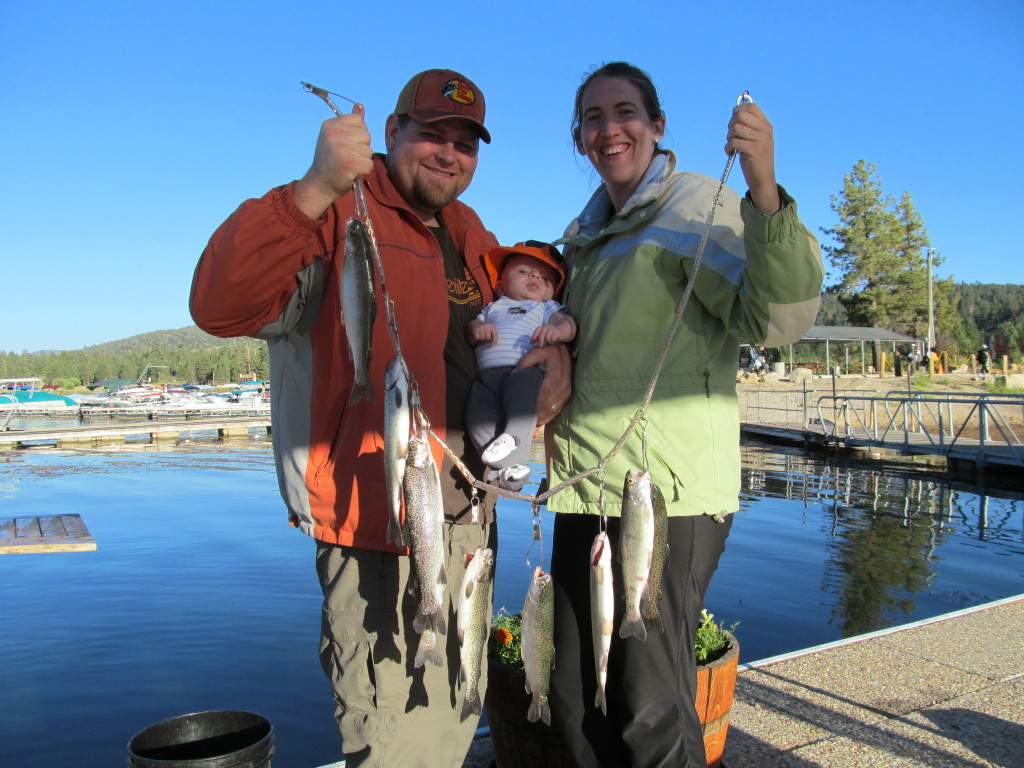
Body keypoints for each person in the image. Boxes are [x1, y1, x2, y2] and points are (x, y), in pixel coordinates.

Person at [190, 69, 570, 768]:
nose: (448, 152)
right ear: (392, 132)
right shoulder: (336, 214)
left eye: (466, 141)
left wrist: (557, 361)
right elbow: (220, 306)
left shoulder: (471, 234)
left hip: (468, 526)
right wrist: (312, 188)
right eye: (432, 133)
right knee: (397, 743)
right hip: (375, 530)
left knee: (456, 714)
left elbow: (514, 335)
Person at [545, 62, 823, 767]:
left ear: (658, 126)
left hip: (664, 496)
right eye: (593, 118)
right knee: (577, 700)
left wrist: (763, 188)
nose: (610, 128)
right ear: (579, 138)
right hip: (584, 490)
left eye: (626, 111)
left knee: (648, 706)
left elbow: (776, 317)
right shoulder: (584, 236)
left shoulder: (698, 205)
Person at [466, 241, 576, 491]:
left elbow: (569, 325)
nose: (535, 276)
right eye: (524, 272)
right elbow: (471, 330)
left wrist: (557, 331)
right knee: (476, 412)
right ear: (501, 286)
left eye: (544, 277)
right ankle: (505, 468)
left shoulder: (546, 308)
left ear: (551, 292)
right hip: (487, 377)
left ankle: (516, 439)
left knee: (521, 398)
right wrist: (477, 329)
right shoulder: (492, 307)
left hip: (523, 371)